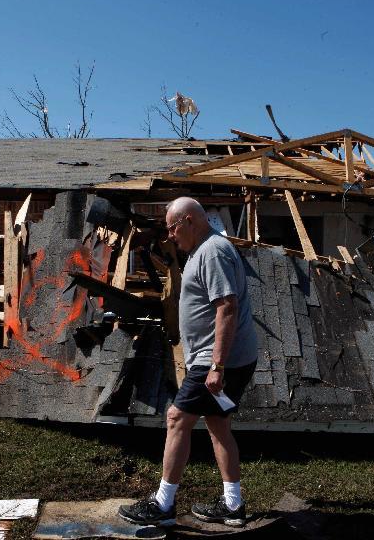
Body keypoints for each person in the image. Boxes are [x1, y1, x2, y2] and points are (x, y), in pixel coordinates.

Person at [118, 197, 258, 528]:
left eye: (172, 228)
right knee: (217, 424)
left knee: (177, 418)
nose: (170, 237)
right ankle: (233, 506)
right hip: (221, 358)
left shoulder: (212, 251)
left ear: (189, 221)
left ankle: (163, 504)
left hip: (218, 360)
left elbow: (226, 307)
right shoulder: (204, 249)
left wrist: (217, 366)